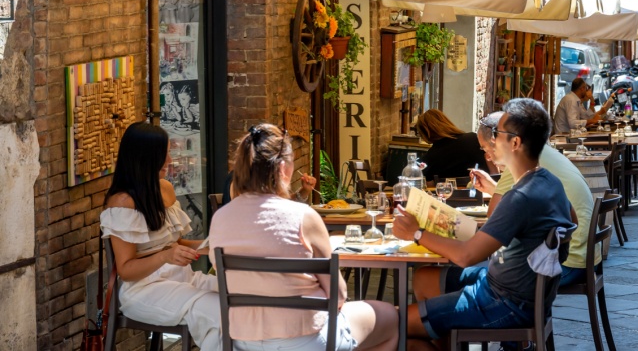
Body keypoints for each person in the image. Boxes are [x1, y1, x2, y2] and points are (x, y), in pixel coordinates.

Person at [394, 99, 573, 351]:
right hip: (514, 290)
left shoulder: (520, 196)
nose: (491, 140)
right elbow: (571, 220)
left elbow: (466, 256)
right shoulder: (549, 182)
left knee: (394, 324)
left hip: (504, 301)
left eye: (497, 134)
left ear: (515, 143)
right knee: (425, 278)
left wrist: (416, 232)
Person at [209, 123, 399, 351]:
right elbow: (338, 296)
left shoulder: (220, 218)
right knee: (389, 316)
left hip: (242, 339)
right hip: (305, 338)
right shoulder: (304, 217)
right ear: (282, 168)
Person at [100, 122, 220, 350]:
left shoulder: (164, 188)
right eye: (164, 154)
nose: (169, 160)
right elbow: (126, 270)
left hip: (183, 279)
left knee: (236, 298)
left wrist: (209, 245)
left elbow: (174, 244)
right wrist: (166, 257)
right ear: (145, 158)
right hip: (144, 290)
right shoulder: (122, 203)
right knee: (218, 314)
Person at [470, 112, 595, 287]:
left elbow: (494, 218)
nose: (488, 157)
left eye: (485, 149)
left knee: (487, 274)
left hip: (564, 264)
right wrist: (493, 188)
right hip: (581, 256)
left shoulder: (520, 158)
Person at [415, 109, 489, 181]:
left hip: (448, 192)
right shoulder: (473, 139)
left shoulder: (430, 157)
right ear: (445, 121)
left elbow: (423, 182)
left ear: (426, 133)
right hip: (483, 190)